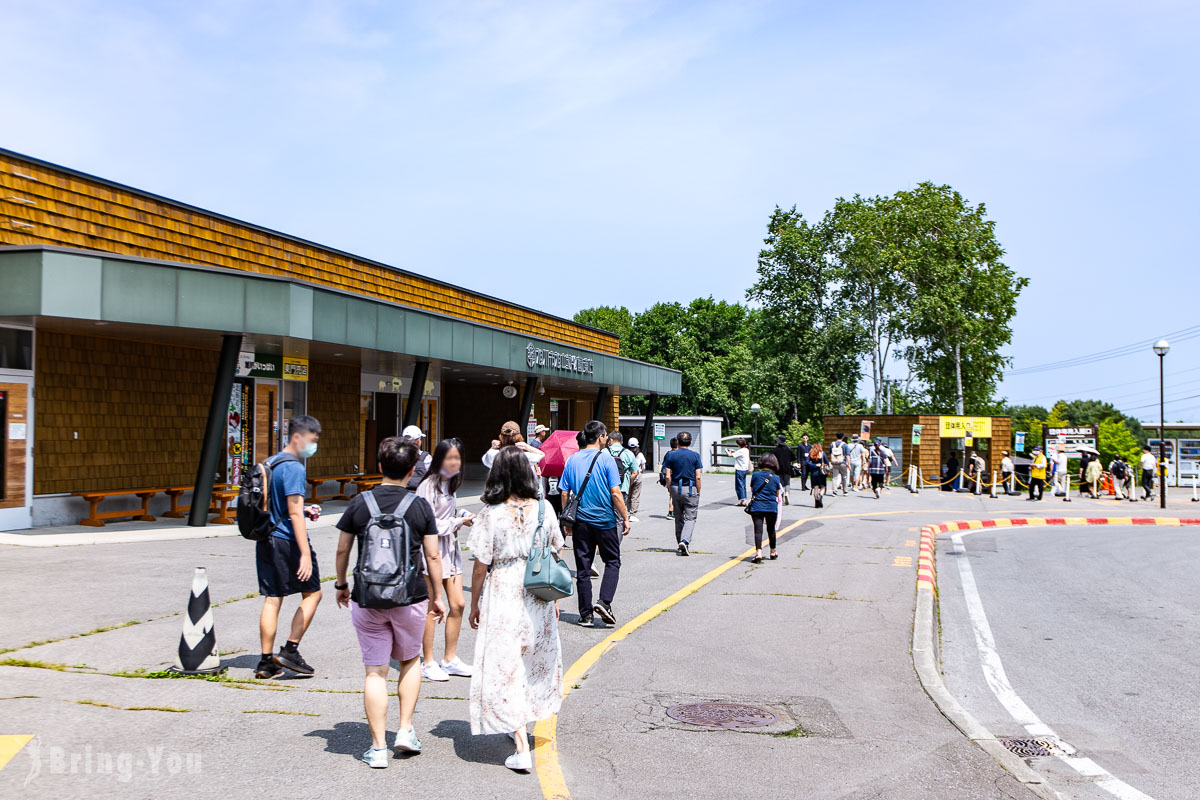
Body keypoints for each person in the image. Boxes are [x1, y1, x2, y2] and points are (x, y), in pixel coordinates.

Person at [334, 436, 446, 767]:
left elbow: (342, 549)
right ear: (413, 470)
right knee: (410, 661)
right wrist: (437, 597)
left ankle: (378, 747)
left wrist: (341, 584)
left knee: (375, 672)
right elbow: (433, 555)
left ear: (379, 466)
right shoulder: (419, 506)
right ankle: (405, 731)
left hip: (367, 597)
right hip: (410, 595)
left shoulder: (360, 503)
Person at [467, 447, 564, 773]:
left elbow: (481, 565)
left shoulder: (490, 514)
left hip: (504, 592)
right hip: (537, 593)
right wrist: (557, 603)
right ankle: (521, 723)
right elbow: (555, 552)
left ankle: (521, 746)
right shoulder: (544, 509)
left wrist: (474, 603)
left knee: (505, 665)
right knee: (532, 663)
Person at [255, 415, 324, 679]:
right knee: (313, 594)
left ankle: (265, 662)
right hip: (288, 540)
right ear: (298, 437)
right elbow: (294, 513)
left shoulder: (269, 463)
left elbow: (280, 506)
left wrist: (303, 510)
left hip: (267, 537)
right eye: (312, 440)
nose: (313, 446)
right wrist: (304, 552)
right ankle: (290, 650)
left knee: (272, 599)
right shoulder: (294, 467)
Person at [559, 420, 630, 625]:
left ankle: (585, 615)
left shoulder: (572, 460)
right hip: (605, 520)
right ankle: (604, 602)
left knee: (583, 568)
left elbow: (564, 492)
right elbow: (616, 493)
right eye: (605, 435)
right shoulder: (607, 460)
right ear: (600, 437)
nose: (606, 438)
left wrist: (567, 518)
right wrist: (625, 517)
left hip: (580, 522)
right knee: (613, 561)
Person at [416, 439, 476, 682]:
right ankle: (428, 661)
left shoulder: (450, 484)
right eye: (450, 458)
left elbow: (447, 513)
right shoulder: (427, 486)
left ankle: (450, 659)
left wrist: (461, 515)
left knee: (458, 603)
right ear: (439, 459)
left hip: (450, 551)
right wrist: (459, 522)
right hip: (431, 551)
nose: (454, 463)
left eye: (458, 459)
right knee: (432, 607)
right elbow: (426, 524)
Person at [662, 431, 704, 556]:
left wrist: (670, 488)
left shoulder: (671, 455)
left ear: (678, 442)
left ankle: (680, 544)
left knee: (678, 517)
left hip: (675, 487)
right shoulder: (695, 456)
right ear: (690, 442)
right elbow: (698, 477)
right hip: (690, 488)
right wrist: (699, 490)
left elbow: (668, 476)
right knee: (690, 517)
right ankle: (684, 541)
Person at [747, 453, 782, 563]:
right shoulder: (776, 478)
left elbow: (753, 490)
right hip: (771, 507)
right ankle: (772, 551)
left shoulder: (755, 475)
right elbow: (777, 494)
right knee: (771, 529)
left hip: (757, 506)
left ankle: (758, 553)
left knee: (758, 530)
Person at [606, 431, 640, 522]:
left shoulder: (603, 452)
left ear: (611, 440)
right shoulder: (628, 453)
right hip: (622, 489)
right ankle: (617, 535)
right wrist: (628, 483)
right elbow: (635, 472)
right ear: (621, 442)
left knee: (605, 516)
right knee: (619, 518)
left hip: (606, 489)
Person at [402, 425, 433, 490]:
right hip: (421, 493)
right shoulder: (427, 458)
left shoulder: (397, 456)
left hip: (402, 494)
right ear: (418, 441)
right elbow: (431, 478)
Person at [726, 437, 752, 505]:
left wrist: (727, 451)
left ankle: (743, 500)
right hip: (745, 469)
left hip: (740, 469)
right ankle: (743, 499)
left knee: (739, 485)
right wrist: (734, 451)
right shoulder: (746, 450)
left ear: (739, 444)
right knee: (743, 485)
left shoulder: (741, 451)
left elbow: (729, 455)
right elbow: (739, 453)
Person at [771, 436, 795, 505]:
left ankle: (780, 497)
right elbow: (793, 458)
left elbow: (773, 459)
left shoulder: (775, 450)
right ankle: (787, 494)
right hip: (787, 468)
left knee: (780, 483)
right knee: (787, 483)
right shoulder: (788, 449)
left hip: (778, 469)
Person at [805, 443, 829, 508]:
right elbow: (827, 462)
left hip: (813, 472)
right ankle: (820, 496)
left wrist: (814, 465)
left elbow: (807, 462)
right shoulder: (822, 453)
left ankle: (816, 502)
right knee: (823, 487)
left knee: (815, 487)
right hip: (821, 472)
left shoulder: (811, 454)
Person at [627, 437, 646, 516]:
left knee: (628, 494)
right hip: (638, 475)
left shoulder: (627, 453)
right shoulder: (640, 454)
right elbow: (643, 467)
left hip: (629, 475)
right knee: (635, 495)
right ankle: (633, 514)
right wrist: (641, 472)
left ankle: (627, 511)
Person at [662, 437, 679, 519]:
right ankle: (671, 512)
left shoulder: (667, 454)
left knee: (671, 495)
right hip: (675, 477)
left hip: (667, 477)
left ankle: (672, 512)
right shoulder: (678, 454)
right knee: (673, 496)